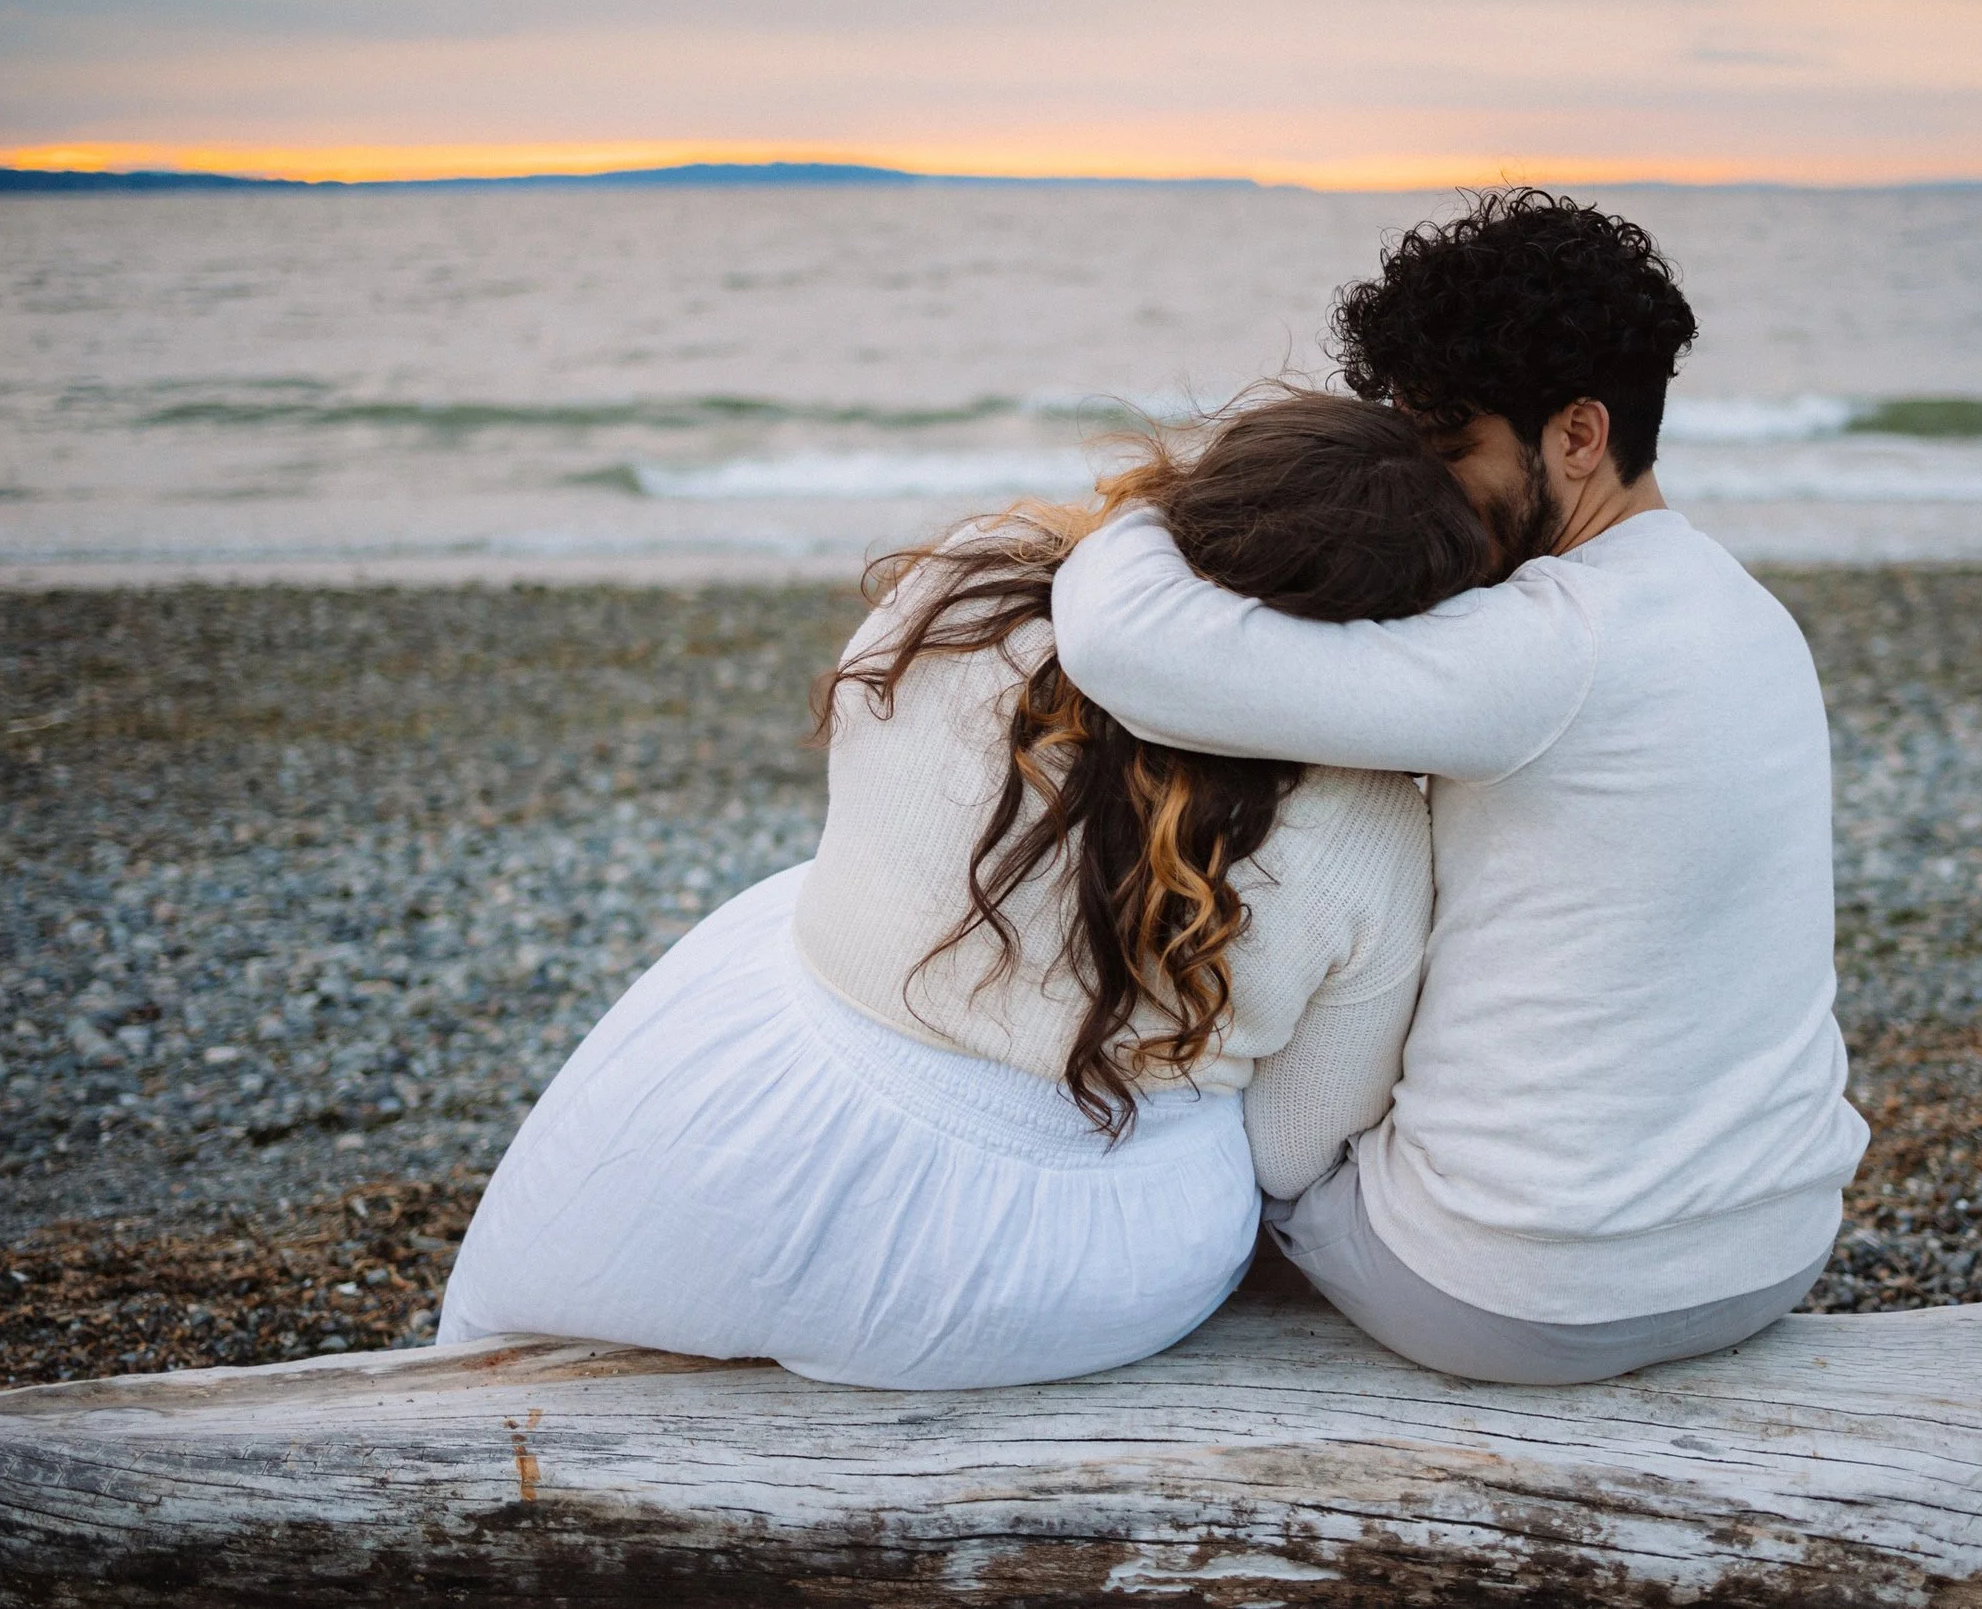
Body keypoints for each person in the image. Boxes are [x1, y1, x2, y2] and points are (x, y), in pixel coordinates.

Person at [436, 392, 1495, 1388]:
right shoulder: (1372, 822)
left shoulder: (969, 587)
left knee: (788, 903)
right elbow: (1293, 1145)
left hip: (747, 1154)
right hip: (1073, 1265)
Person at [1051, 190, 1871, 1385]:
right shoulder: (1745, 611)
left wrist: (1151, 506)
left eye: (1450, 452)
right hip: (1772, 1246)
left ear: (1578, 434)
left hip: (1515, 1291)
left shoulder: (1544, 645)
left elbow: (1137, 654)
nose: (1428, 493)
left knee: (1223, 1145)